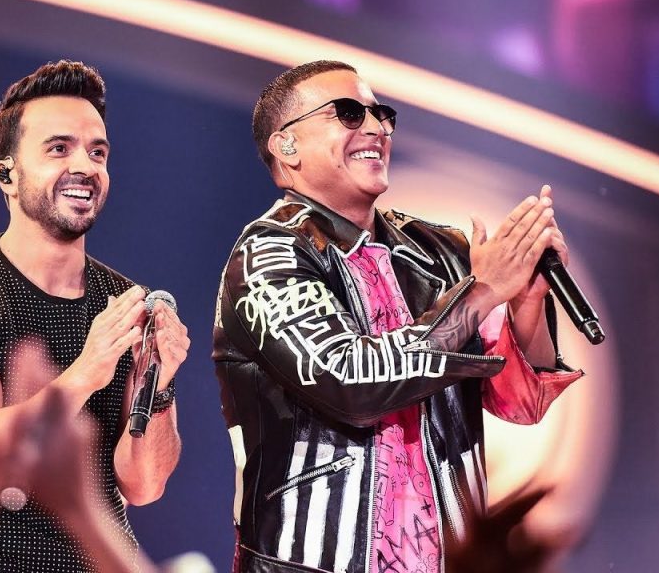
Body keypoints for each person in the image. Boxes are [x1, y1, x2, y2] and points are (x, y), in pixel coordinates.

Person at [212, 60, 583, 573]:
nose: (376, 128)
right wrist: (484, 291)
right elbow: (349, 380)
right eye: (348, 113)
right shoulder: (267, 254)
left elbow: (522, 403)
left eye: (381, 114)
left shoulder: (440, 250)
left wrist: (526, 299)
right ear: (287, 145)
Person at [0, 59, 190, 572]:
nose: (85, 166)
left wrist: (158, 386)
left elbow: (144, 486)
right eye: (59, 148)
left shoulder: (123, 302)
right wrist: (86, 372)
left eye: (97, 152)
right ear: (7, 175)